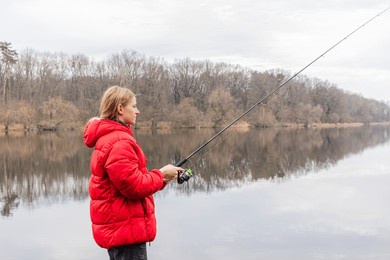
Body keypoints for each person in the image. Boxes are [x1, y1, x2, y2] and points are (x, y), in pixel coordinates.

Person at [83, 85, 183, 260]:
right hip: (126, 232)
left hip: (121, 230)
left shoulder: (110, 138)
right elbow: (133, 186)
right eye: (134, 106)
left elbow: (128, 181)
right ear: (120, 109)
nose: (138, 111)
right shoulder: (119, 142)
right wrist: (161, 175)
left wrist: (163, 178)